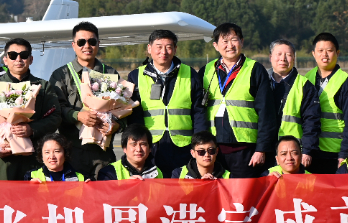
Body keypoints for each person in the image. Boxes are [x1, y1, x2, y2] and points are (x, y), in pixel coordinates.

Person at [125, 30, 208, 177]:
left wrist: (199, 146)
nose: (163, 51)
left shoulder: (190, 74)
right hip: (151, 149)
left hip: (183, 147)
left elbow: (199, 112)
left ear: (175, 49)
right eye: (158, 46)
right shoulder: (136, 76)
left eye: (169, 47)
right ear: (149, 49)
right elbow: (134, 116)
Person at [201, 23, 277, 178]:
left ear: (242, 41)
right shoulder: (206, 70)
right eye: (225, 41)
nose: (230, 45)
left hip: (246, 150)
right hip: (213, 150)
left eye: (234, 40)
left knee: (242, 197)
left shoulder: (255, 70)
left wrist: (261, 149)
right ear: (215, 45)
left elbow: (266, 113)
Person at [0, 38, 61, 183]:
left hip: (35, 157)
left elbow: (55, 117)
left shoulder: (43, 87)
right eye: (12, 55)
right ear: (5, 59)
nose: (18, 59)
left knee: (36, 201)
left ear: (31, 59)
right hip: (5, 160)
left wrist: (32, 129)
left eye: (23, 55)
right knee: (6, 202)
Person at [49, 21, 121, 179]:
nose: (87, 46)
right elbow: (55, 108)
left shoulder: (110, 73)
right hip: (72, 151)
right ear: (73, 45)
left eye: (92, 41)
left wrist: (115, 124)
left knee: (104, 197)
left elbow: (120, 106)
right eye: (81, 42)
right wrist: (77, 115)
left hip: (103, 151)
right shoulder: (61, 75)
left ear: (98, 44)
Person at [306, 33, 348, 175]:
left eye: (329, 51)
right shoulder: (306, 79)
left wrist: (344, 153)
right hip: (310, 151)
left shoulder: (346, 82)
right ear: (313, 54)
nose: (324, 55)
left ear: (337, 53)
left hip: (335, 153)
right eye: (320, 51)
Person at [268, 39, 320, 172]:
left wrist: (307, 150)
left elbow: (311, 121)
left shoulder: (304, 85)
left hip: (292, 155)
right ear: (270, 57)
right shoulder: (260, 82)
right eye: (279, 54)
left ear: (294, 58)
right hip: (265, 151)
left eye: (288, 55)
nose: (283, 59)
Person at [97, 124, 162, 180]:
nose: (138, 149)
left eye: (143, 144)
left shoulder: (157, 172)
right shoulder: (109, 172)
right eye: (134, 144)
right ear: (124, 148)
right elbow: (105, 194)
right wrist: (127, 187)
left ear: (150, 148)